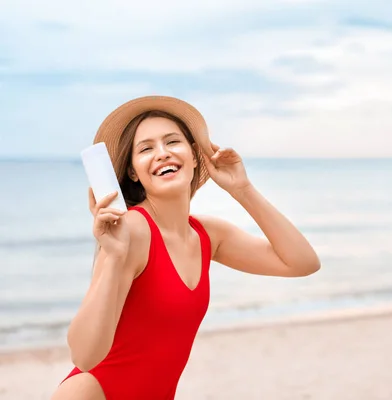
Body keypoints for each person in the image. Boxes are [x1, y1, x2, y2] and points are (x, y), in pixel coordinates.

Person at [50, 95, 321, 400]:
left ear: (195, 156)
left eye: (172, 142)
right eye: (146, 148)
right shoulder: (132, 233)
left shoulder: (208, 235)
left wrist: (242, 190)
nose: (162, 154)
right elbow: (84, 358)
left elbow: (302, 262)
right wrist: (113, 257)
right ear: (133, 172)